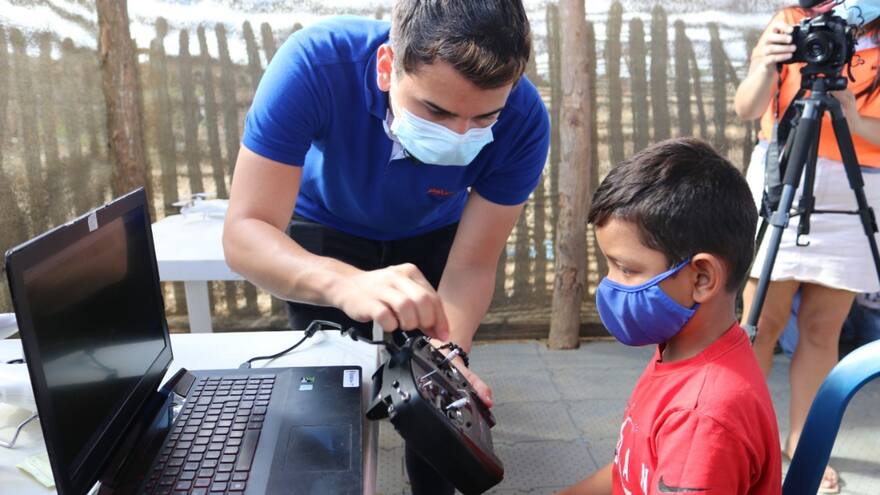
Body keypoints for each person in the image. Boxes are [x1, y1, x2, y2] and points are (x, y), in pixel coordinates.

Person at [221, 1, 550, 494]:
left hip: (433, 232)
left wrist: (449, 353)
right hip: (325, 230)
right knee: (325, 403)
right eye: (435, 110)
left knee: (438, 408)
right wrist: (343, 281)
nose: (457, 134)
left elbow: (474, 263)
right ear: (385, 66)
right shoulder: (314, 65)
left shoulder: (524, 121)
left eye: (484, 118)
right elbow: (245, 231)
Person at [560, 138, 781, 495]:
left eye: (627, 269)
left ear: (702, 278)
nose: (608, 285)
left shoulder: (700, 418)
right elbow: (631, 469)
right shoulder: (680, 352)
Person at [734, 1, 880, 491]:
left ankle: (804, 441)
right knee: (759, 322)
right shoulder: (793, 21)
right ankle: (750, 443)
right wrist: (766, 65)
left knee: (823, 329)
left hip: (860, 185)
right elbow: (747, 108)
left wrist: (852, 117)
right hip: (784, 174)